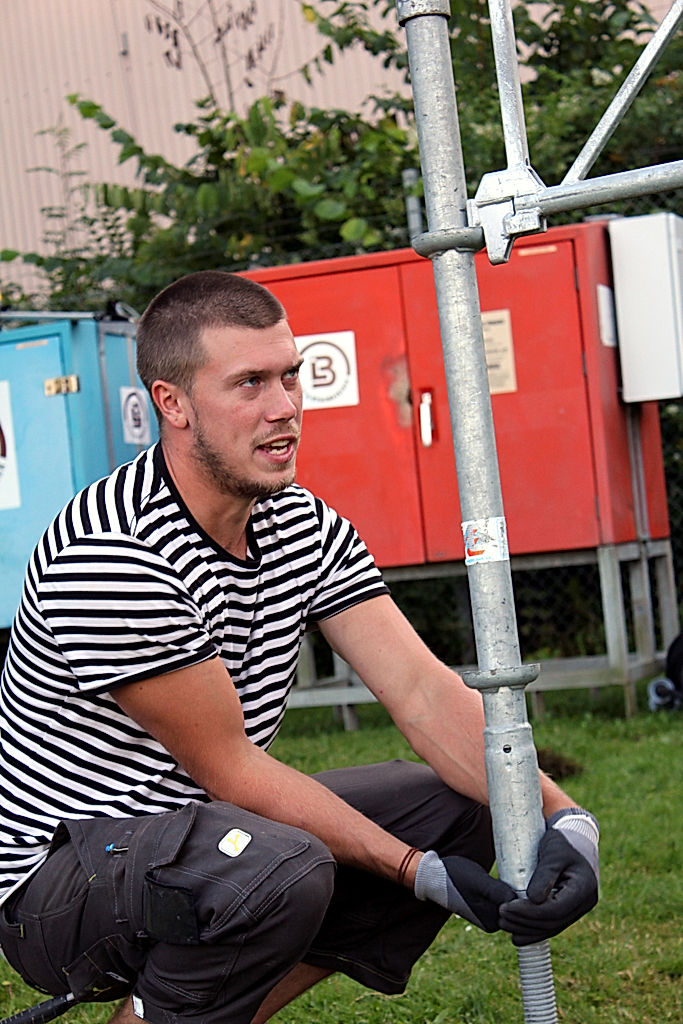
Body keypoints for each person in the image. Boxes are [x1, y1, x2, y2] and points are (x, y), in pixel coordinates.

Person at [0, 271, 599, 1024]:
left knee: (458, 801)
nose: (284, 409)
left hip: (214, 834)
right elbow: (231, 769)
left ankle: (213, 1014)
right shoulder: (111, 550)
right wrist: (415, 871)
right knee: (278, 866)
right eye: (249, 384)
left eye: (291, 376)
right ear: (172, 404)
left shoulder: (302, 523)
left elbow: (419, 690)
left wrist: (562, 818)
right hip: (59, 881)